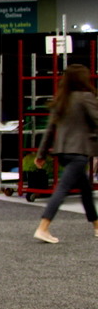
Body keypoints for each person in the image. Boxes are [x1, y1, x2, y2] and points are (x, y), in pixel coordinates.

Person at [32, 63, 98, 243]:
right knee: (62, 189)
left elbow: (49, 130)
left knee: (86, 190)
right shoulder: (86, 97)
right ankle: (43, 227)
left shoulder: (61, 99)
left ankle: (96, 226)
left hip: (62, 152)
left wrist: (41, 154)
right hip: (79, 151)